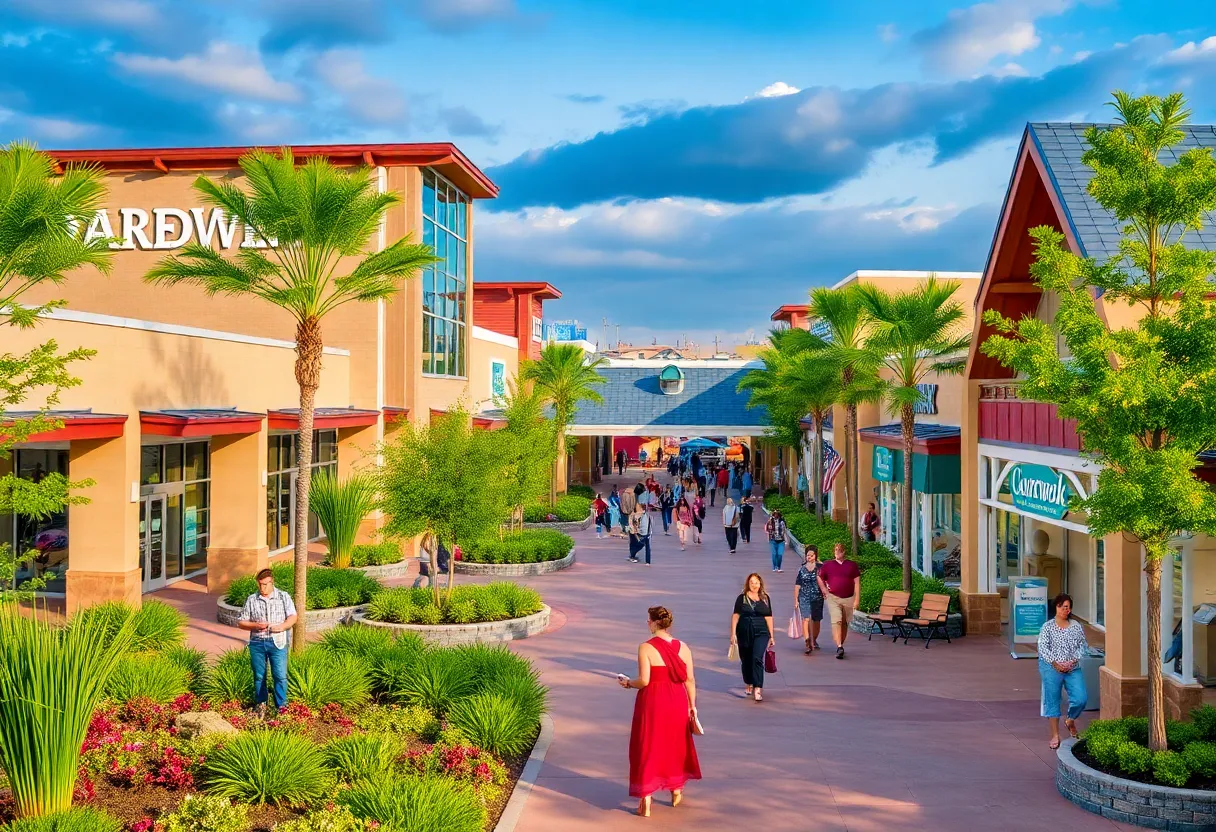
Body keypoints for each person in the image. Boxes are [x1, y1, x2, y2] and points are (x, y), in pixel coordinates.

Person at [620, 605, 701, 818]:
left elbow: (644, 680)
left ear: (655, 623)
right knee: (675, 745)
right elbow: (690, 679)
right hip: (676, 700)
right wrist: (692, 705)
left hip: (652, 702)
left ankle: (645, 798)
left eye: (648, 620)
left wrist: (628, 683)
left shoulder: (645, 648)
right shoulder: (684, 648)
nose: (647, 623)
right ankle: (675, 790)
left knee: (648, 745)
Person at [237, 568, 298, 713]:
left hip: (278, 642)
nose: (262, 588)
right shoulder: (252, 599)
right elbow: (241, 622)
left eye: (265, 584)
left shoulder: (283, 597)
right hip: (257, 642)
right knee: (259, 676)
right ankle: (261, 703)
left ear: (272, 582)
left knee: (280, 675)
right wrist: (255, 626)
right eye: (260, 584)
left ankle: (281, 706)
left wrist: (282, 626)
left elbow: (293, 617)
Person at [1039, 593, 1089, 749]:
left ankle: (1070, 719)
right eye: (1062, 606)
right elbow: (1042, 648)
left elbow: (1083, 646)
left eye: (1068, 607)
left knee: (1081, 698)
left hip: (1072, 667)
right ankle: (1055, 734)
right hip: (1051, 666)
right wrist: (1056, 663)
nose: (1065, 609)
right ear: (1056, 607)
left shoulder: (1076, 626)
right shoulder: (1047, 627)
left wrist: (1073, 660)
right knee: (1052, 699)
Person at [730, 573, 775, 702]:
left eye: (756, 582)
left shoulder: (765, 598)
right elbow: (735, 616)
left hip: (761, 632)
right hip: (744, 631)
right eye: (752, 582)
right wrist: (733, 634)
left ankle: (757, 688)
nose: (754, 585)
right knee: (746, 659)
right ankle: (748, 681)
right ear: (748, 584)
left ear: (760, 584)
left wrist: (772, 636)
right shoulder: (742, 598)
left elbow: (769, 617)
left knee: (757, 658)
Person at [818, 542, 861, 660]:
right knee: (836, 620)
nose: (837, 552)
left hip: (848, 598)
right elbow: (820, 577)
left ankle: (840, 643)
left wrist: (857, 599)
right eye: (836, 550)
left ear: (844, 552)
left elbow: (857, 583)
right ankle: (839, 646)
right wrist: (824, 590)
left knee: (844, 622)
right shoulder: (828, 565)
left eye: (840, 550)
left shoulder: (852, 566)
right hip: (833, 598)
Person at [793, 545, 824, 654]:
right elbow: (797, 584)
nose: (809, 557)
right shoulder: (801, 568)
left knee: (816, 619)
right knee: (805, 618)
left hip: (817, 597)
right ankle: (807, 642)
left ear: (815, 556)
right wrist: (796, 599)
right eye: (807, 555)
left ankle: (813, 639)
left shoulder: (821, 568)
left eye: (811, 555)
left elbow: (826, 582)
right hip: (804, 596)